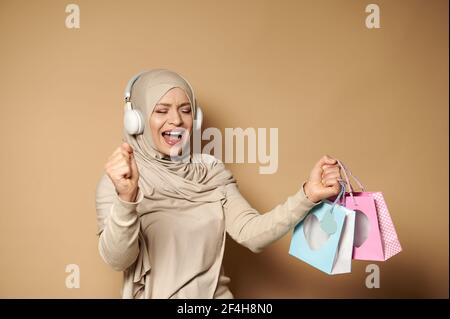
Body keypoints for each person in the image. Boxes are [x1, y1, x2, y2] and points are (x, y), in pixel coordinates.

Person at [95, 69, 342, 299]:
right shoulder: (118, 183)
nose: (177, 120)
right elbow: (118, 259)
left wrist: (308, 195)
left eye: (185, 109)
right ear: (135, 120)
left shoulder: (210, 171)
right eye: (161, 110)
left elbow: (252, 234)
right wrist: (126, 199)